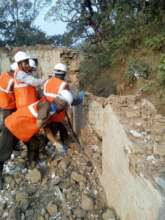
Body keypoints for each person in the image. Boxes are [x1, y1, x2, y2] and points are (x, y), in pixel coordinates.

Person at [44, 63, 84, 144]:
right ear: (64, 74)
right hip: (57, 113)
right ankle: (45, 145)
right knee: (53, 130)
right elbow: (69, 99)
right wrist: (80, 99)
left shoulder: (47, 82)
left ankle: (64, 139)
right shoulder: (64, 85)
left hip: (46, 110)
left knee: (56, 127)